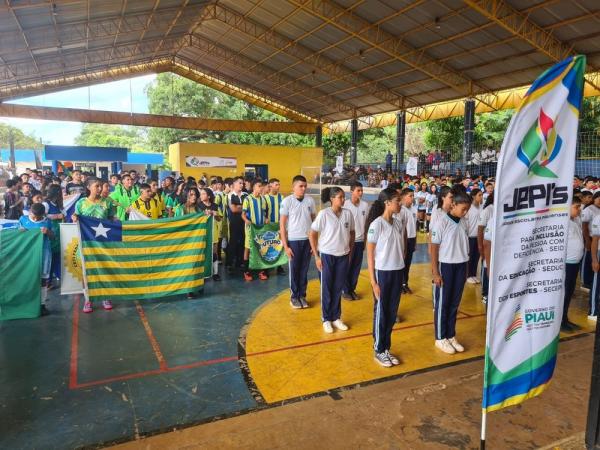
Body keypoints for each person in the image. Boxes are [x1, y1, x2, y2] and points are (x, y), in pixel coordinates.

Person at [365, 188, 405, 367]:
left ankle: (386, 347)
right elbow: (370, 255)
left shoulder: (398, 223)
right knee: (382, 312)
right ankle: (379, 349)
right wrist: (373, 281)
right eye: (398, 200)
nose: (400, 203)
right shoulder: (376, 225)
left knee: (392, 312)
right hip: (383, 273)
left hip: (397, 272)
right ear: (388, 203)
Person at [430, 189, 472, 354]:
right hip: (446, 266)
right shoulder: (442, 222)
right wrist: (435, 273)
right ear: (453, 205)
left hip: (461, 265)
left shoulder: (463, 222)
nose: (466, 212)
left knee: (454, 303)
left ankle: (450, 334)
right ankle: (440, 338)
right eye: (463, 209)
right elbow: (434, 248)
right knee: (443, 304)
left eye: (467, 209)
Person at [309, 187, 355, 333]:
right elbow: (312, 234)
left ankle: (336, 317)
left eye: (343, 197)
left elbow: (352, 233)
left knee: (338, 288)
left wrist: (350, 250)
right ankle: (326, 319)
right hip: (326, 255)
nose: (343, 199)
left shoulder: (348, 214)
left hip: (343, 256)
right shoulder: (324, 214)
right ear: (332, 199)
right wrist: (316, 255)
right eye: (340, 197)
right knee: (327, 288)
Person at [72, 178, 116, 313]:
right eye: (96, 186)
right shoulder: (81, 203)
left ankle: (105, 296)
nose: (100, 189)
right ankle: (88, 299)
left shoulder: (108, 202)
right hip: (86, 242)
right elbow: (76, 220)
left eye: (100, 186)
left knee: (105, 268)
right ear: (89, 187)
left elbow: (112, 220)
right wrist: (74, 218)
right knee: (87, 270)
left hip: (104, 243)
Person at [280, 175, 316, 309]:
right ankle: (294, 297)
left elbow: (314, 223)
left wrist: (314, 244)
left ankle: (302, 295)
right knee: (294, 270)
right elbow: (282, 225)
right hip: (293, 241)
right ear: (293, 187)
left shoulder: (310, 201)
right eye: (300, 186)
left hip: (307, 241)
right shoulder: (287, 201)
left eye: (305, 186)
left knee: (304, 270)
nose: (303, 188)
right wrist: (286, 246)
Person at [19, 202, 54, 315]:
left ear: (43, 215)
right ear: (30, 212)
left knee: (43, 280)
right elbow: (16, 235)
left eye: (37, 217)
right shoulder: (23, 219)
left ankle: (42, 304)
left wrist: (48, 232)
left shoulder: (47, 222)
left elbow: (53, 237)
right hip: (28, 254)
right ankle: (27, 303)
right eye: (33, 215)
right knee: (28, 278)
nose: (34, 218)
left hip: (44, 253)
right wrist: (20, 232)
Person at [343, 182, 368, 300]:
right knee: (346, 265)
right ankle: (345, 290)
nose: (361, 192)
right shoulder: (345, 205)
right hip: (348, 241)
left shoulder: (365, 205)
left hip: (360, 240)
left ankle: (352, 289)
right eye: (358, 190)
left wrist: (365, 240)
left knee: (356, 267)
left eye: (362, 190)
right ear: (351, 191)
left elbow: (366, 224)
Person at [562, 196, 584, 331]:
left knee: (569, 292)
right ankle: (560, 322)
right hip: (566, 264)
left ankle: (565, 318)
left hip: (574, 263)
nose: (579, 210)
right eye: (576, 207)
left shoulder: (575, 221)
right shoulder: (563, 223)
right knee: (564, 293)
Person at [242, 179, 268, 282]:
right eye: (258, 185)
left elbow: (263, 213)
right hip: (250, 228)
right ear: (253, 187)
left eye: (261, 186)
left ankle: (261, 271)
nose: (261, 188)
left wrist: (265, 219)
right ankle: (246, 271)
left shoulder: (262, 199)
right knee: (248, 248)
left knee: (260, 247)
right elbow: (243, 215)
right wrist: (246, 220)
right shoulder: (247, 199)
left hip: (260, 228)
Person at [199, 187, 222, 282]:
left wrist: (215, 214)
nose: (201, 196)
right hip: (202, 233)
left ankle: (215, 273)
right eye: (200, 194)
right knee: (203, 253)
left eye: (203, 194)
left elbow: (220, 219)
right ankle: (204, 273)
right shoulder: (198, 206)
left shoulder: (215, 206)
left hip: (213, 232)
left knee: (214, 253)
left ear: (208, 196)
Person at [43, 184, 64, 285]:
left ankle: (58, 277)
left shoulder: (59, 204)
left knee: (57, 256)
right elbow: (42, 216)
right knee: (50, 257)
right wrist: (56, 216)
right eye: (60, 191)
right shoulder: (46, 204)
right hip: (51, 234)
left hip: (60, 234)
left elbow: (64, 214)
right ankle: (48, 280)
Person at [264, 178, 285, 276]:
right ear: (270, 185)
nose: (278, 186)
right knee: (268, 246)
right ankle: (266, 268)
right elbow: (263, 212)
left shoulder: (282, 197)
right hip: (269, 226)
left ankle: (279, 267)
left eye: (279, 184)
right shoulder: (265, 198)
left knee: (280, 246)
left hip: (279, 225)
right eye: (276, 184)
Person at [227, 176, 247, 274]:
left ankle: (241, 262)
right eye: (239, 183)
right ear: (234, 184)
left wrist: (239, 206)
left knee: (243, 241)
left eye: (242, 183)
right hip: (234, 221)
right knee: (233, 241)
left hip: (244, 221)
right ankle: (230, 263)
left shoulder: (246, 195)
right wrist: (243, 207)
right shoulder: (230, 195)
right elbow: (233, 209)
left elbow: (248, 208)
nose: (241, 185)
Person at [477, 192, 494, 303]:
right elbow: (480, 229)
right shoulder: (488, 210)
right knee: (486, 267)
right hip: (487, 243)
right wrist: (481, 247)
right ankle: (485, 293)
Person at [581, 192, 600, 290]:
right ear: (595, 198)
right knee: (588, 259)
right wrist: (587, 240)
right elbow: (584, 226)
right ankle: (585, 282)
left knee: (594, 259)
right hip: (590, 237)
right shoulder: (589, 209)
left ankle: (592, 280)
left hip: (597, 239)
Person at [400, 187, 417, 294]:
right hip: (403, 240)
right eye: (410, 196)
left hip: (411, 239)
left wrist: (415, 241)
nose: (412, 198)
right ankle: (399, 284)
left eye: (413, 196)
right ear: (403, 197)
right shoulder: (400, 210)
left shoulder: (414, 209)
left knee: (408, 263)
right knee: (401, 263)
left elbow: (414, 226)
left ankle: (405, 283)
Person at [465, 188, 482, 284]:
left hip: (479, 236)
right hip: (470, 236)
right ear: (473, 196)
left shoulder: (481, 207)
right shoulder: (469, 208)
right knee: (470, 256)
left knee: (476, 257)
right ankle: (468, 275)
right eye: (479, 195)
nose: (481, 197)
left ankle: (473, 274)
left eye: (482, 195)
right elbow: (466, 223)